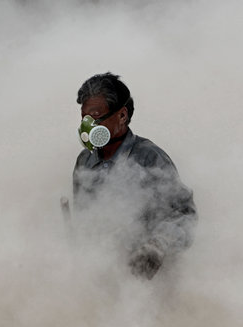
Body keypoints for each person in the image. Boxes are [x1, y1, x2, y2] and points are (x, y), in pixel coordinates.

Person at [72, 72, 197, 279]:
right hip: (101, 277)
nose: (88, 125)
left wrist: (156, 247)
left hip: (146, 280)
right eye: (84, 117)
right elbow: (84, 221)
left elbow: (184, 216)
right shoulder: (84, 161)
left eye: (95, 116)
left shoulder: (149, 158)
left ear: (122, 115)